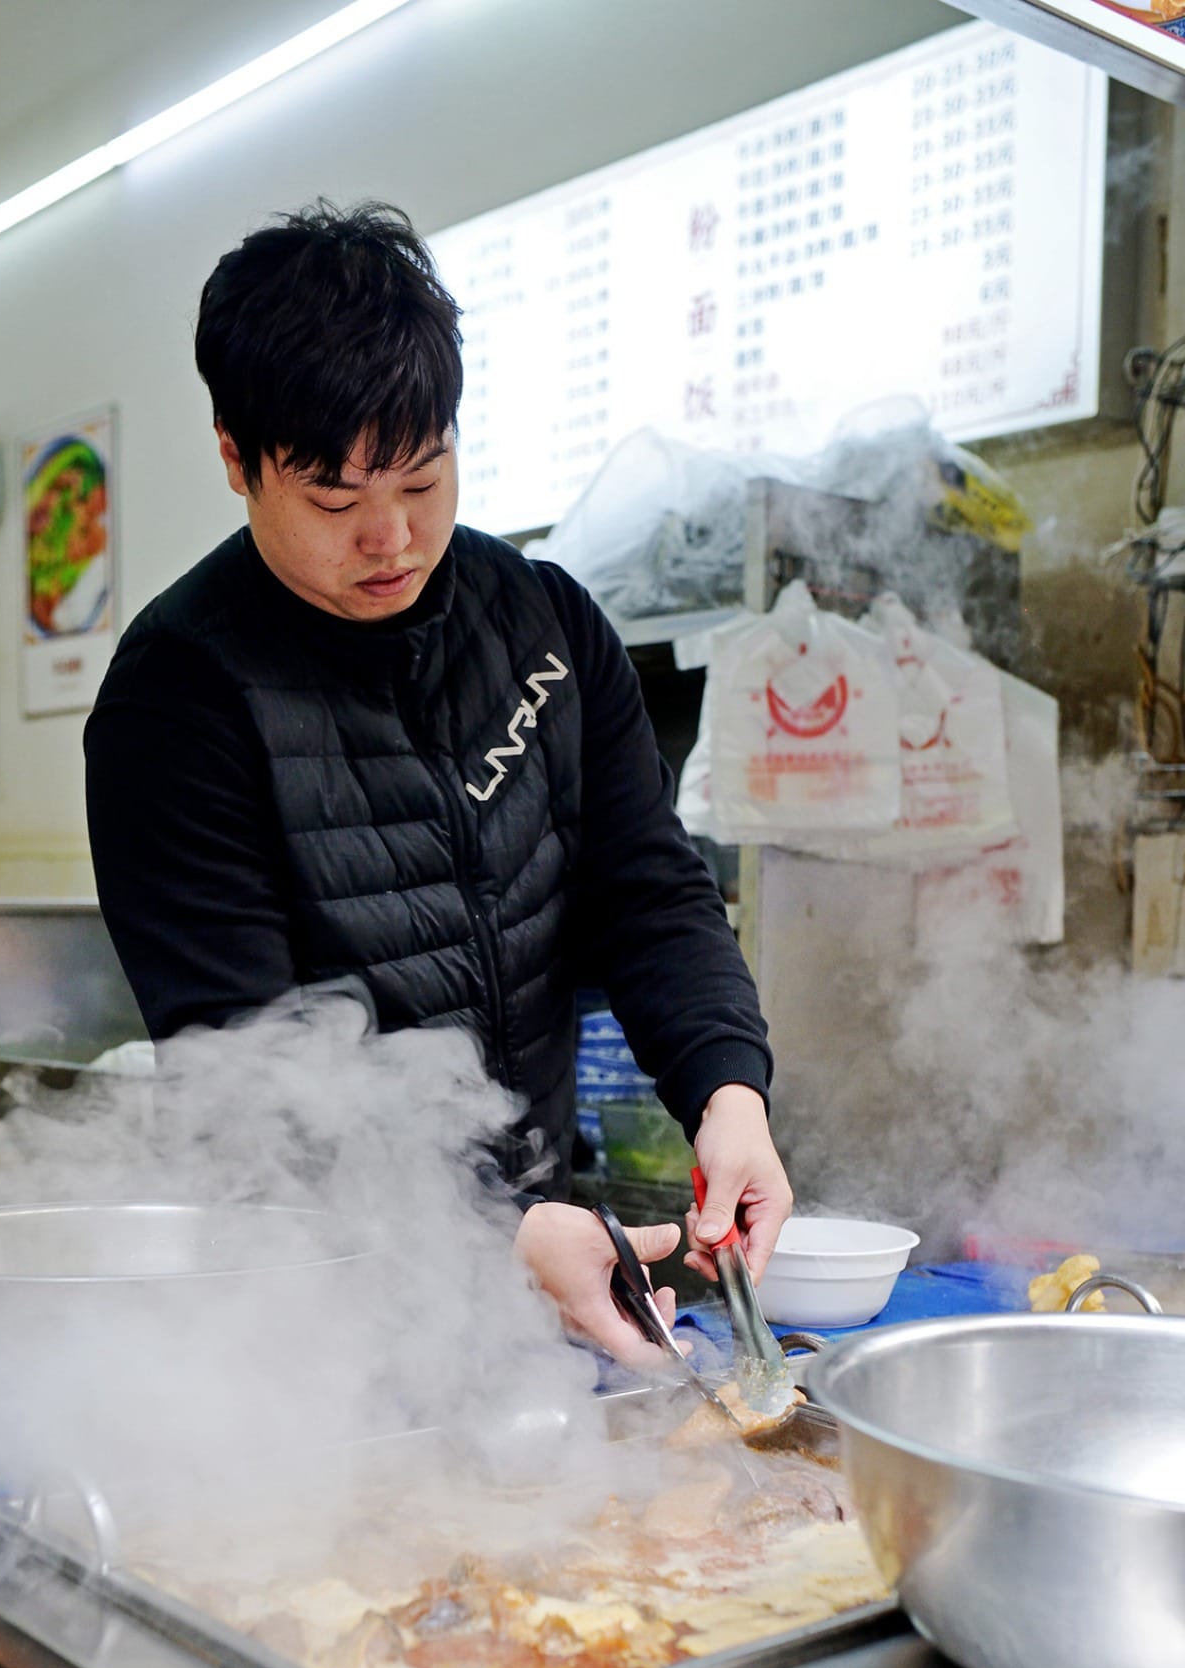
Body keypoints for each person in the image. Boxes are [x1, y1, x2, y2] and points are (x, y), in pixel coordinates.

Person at [84, 201, 792, 1366]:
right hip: (318, 1306)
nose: (391, 538)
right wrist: (497, 1241)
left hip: (544, 1266)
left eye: (422, 477)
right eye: (332, 499)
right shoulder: (179, 699)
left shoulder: (545, 622)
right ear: (233, 458)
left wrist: (728, 1092)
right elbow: (253, 1082)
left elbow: (650, 893)